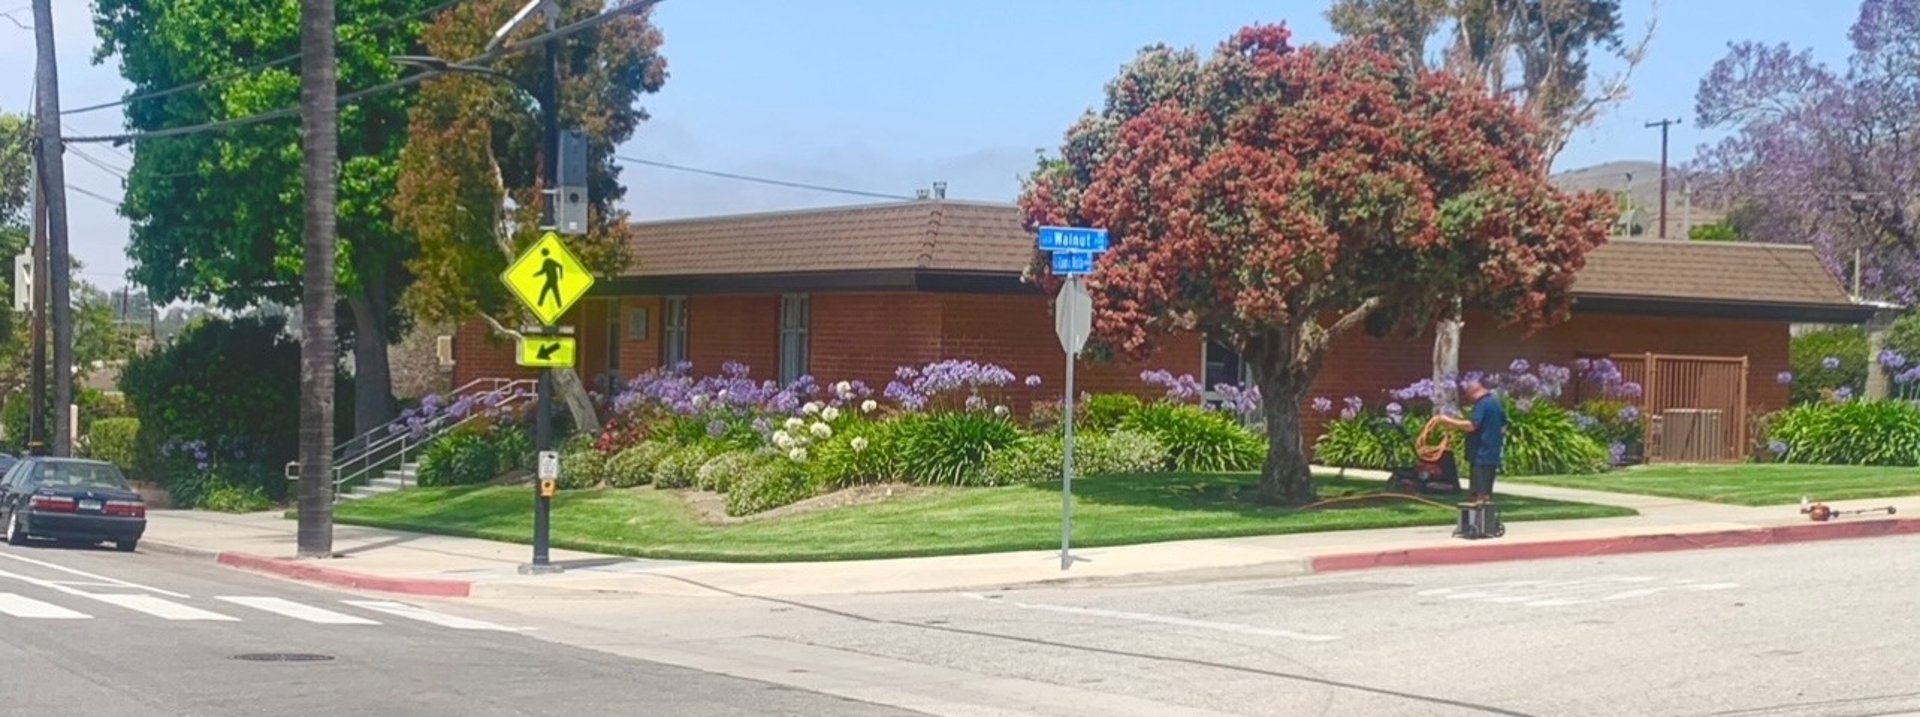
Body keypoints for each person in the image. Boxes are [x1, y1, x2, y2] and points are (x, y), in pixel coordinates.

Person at [1434, 377, 1507, 504]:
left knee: (1480, 495)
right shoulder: (1495, 404)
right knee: (1485, 490)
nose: (1468, 400)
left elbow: (1472, 425)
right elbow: (1503, 425)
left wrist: (1447, 420)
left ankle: (1478, 519)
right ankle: (1481, 512)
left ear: (1473, 392)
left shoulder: (1482, 404)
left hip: (1481, 453)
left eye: (1468, 396)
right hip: (1492, 452)